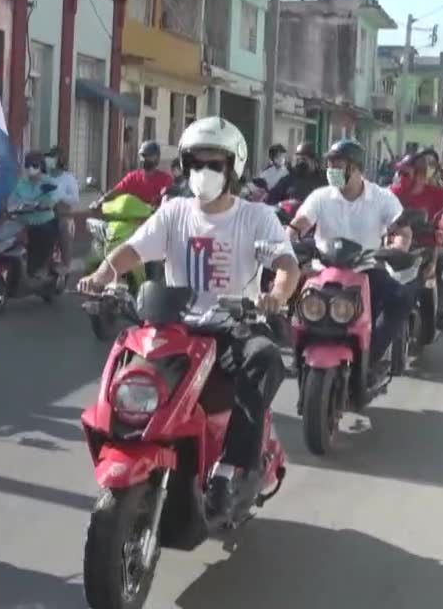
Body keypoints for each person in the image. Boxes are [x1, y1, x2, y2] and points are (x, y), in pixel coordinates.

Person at [77, 116, 299, 516]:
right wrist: (101, 274)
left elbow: (286, 264)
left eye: (216, 163)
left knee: (264, 359)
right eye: (197, 163)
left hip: (232, 327)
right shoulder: (173, 211)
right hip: (175, 327)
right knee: (127, 362)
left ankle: (235, 468)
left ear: (233, 168)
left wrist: (275, 296)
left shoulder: (255, 217)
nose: (205, 172)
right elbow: (133, 250)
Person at [286, 139, 415, 368]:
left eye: (338, 165)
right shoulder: (321, 196)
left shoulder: (382, 197)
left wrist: (397, 249)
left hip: (366, 269)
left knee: (400, 298)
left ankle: (370, 356)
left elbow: (402, 230)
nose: (332, 170)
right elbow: (299, 224)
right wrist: (291, 245)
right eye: (330, 165)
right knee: (284, 295)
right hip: (323, 269)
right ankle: (296, 354)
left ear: (355, 168)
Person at [392, 149, 443, 327]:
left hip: (428, 247)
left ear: (421, 175)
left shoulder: (436, 193)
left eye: (406, 173)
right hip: (395, 247)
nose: (401, 177)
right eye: (400, 172)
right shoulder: (393, 192)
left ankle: (442, 303)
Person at [10, 151, 62, 278]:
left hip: (43, 222)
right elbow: (12, 201)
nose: (30, 168)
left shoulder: (49, 182)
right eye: (27, 165)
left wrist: (46, 204)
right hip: (23, 221)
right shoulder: (20, 183)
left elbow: (54, 198)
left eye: (34, 165)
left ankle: (41, 267)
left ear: (41, 166)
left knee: (43, 233)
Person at [93, 140, 174, 208]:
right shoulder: (132, 177)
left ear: (157, 158)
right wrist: (100, 201)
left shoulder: (165, 178)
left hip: (155, 221)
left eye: (149, 156)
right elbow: (116, 191)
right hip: (132, 222)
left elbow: (167, 198)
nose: (144, 159)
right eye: (142, 156)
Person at [44, 146, 81, 267]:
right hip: (46, 215)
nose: (50, 160)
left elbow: (75, 199)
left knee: (64, 228)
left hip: (64, 217)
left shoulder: (68, 178)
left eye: (53, 157)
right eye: (49, 157)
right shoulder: (45, 177)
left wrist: (61, 195)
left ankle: (66, 267)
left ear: (60, 159)